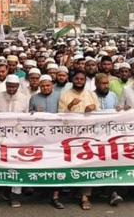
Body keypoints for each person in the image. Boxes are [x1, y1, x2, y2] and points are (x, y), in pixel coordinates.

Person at [58, 71, 99, 210]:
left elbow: (101, 114)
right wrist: (70, 106)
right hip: (70, 136)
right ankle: (72, 191)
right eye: (77, 78)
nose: (79, 81)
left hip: (88, 136)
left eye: (82, 79)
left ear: (85, 80)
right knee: (72, 165)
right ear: (72, 80)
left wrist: (93, 108)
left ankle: (85, 196)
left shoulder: (91, 94)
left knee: (87, 164)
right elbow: (59, 116)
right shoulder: (65, 94)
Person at [0, 75, 28, 208]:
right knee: (3, 164)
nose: (11, 89)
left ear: (18, 86)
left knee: (17, 164)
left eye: (14, 86)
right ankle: (6, 189)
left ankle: (15, 195)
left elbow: (27, 119)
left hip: (18, 138)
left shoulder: (24, 98)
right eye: (9, 86)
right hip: (2, 137)